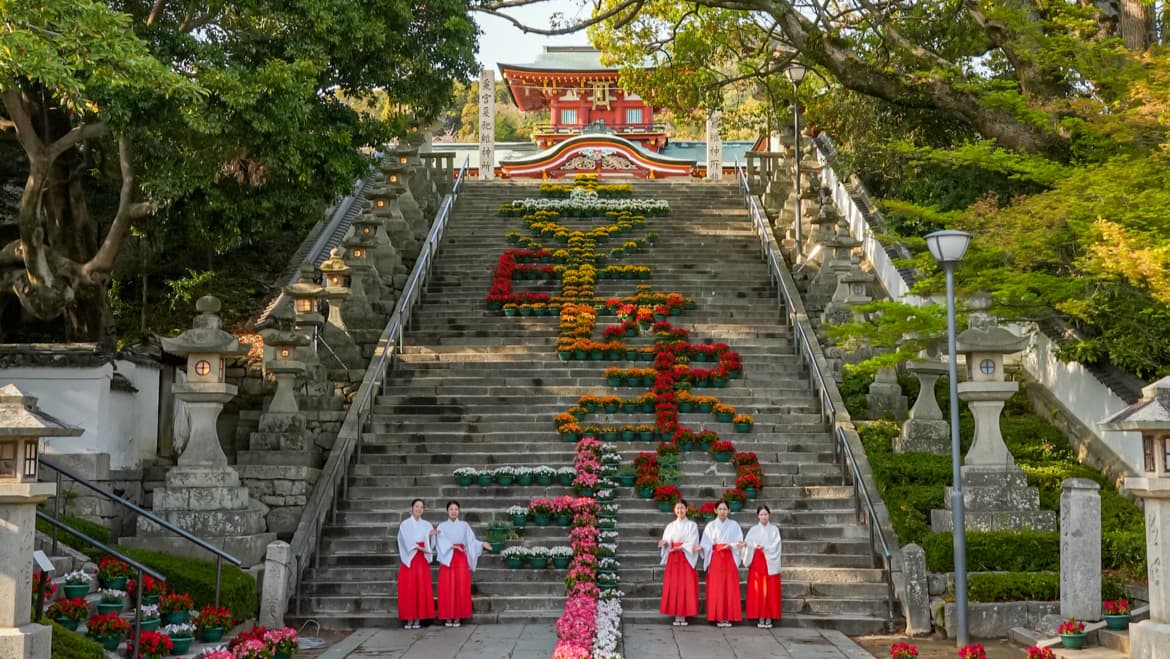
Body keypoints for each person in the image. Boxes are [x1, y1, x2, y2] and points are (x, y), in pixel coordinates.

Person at [435, 500, 490, 627]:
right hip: (447, 557)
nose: (454, 511)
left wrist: (481, 544)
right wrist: (452, 546)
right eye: (451, 509)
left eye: (456, 509)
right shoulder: (442, 526)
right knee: (447, 587)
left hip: (460, 558)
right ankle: (448, 616)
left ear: (459, 511)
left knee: (460, 585)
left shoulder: (464, 525)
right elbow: (439, 541)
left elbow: (471, 541)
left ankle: (458, 616)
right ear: (447, 511)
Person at [701, 500, 744, 628]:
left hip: (729, 556)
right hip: (716, 558)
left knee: (729, 586)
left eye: (725, 509)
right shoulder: (711, 526)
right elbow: (706, 543)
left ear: (729, 511)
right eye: (720, 509)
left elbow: (739, 541)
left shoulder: (734, 525)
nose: (722, 511)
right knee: (717, 587)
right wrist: (703, 548)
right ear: (715, 510)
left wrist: (732, 545)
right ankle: (718, 616)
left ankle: (728, 616)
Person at [657, 499, 701, 626]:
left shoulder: (692, 525)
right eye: (678, 508)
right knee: (674, 585)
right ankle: (676, 613)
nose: (680, 511)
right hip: (674, 557)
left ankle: (683, 614)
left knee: (686, 585)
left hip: (686, 557)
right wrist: (664, 543)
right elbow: (667, 539)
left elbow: (693, 541)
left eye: (682, 508)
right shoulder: (670, 526)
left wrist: (681, 547)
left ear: (687, 509)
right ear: (674, 510)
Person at [396, 498, 437, 629]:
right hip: (410, 557)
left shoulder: (426, 524)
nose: (419, 509)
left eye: (421, 507)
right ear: (411, 508)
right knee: (409, 587)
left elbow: (431, 540)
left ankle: (418, 618)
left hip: (421, 559)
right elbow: (405, 541)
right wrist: (419, 547)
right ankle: (409, 618)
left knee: (420, 587)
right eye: (416, 506)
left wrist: (431, 535)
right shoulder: (405, 524)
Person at [741, 504, 783, 629]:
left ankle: (769, 616)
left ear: (769, 515)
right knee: (758, 590)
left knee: (770, 590)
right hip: (757, 562)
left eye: (765, 514)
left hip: (769, 562)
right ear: (757, 516)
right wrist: (750, 546)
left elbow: (777, 545)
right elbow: (748, 543)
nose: (763, 517)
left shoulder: (774, 529)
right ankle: (760, 616)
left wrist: (765, 548)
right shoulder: (753, 529)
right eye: (761, 514)